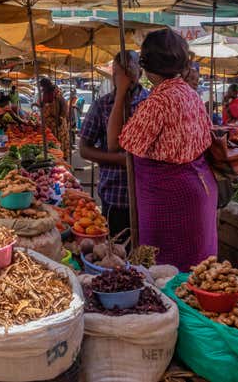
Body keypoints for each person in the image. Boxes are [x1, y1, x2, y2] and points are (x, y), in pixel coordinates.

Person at [107, 28, 216, 271]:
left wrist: (121, 90)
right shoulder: (190, 93)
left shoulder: (158, 102)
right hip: (199, 191)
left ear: (146, 66)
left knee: (165, 273)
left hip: (171, 201)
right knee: (195, 274)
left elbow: (115, 143)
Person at [79, 50, 147, 236]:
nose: (123, 77)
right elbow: (84, 149)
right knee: (116, 249)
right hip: (114, 194)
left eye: (129, 71)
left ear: (139, 73)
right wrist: (118, 160)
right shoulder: (101, 105)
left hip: (147, 196)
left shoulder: (150, 104)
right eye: (118, 73)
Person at [39, 77, 70, 159]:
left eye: (43, 86)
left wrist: (61, 118)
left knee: (60, 140)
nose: (42, 88)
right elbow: (45, 104)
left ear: (47, 85)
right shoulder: (45, 93)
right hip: (48, 123)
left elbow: (64, 107)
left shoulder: (57, 94)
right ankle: (53, 157)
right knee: (51, 141)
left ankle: (62, 157)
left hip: (57, 121)